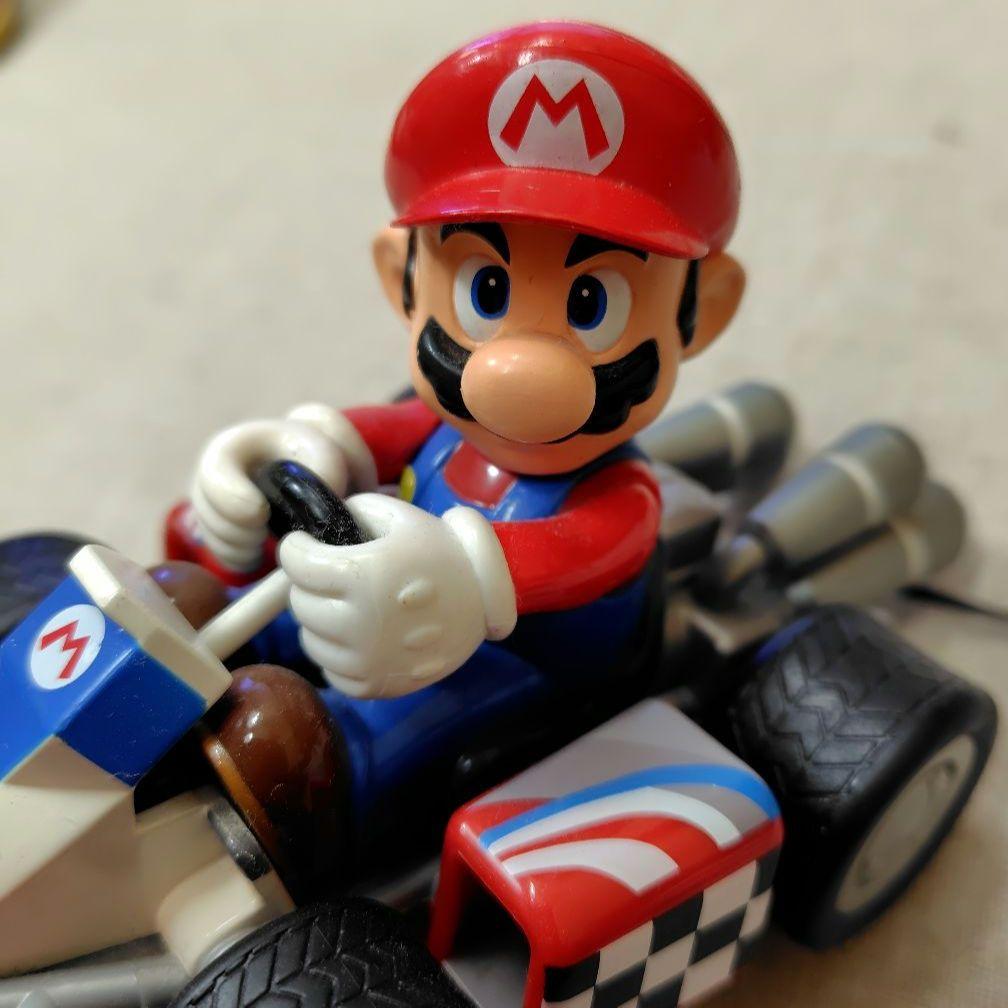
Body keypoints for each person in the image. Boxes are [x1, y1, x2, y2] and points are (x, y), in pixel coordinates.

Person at [166, 21, 746, 821]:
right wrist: (293, 448)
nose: (521, 368)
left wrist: (464, 582)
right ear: (400, 281)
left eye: (591, 303)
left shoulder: (620, 498)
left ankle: (319, 808)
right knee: (212, 609)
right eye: (487, 292)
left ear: (700, 313)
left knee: (327, 750)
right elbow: (368, 434)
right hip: (392, 607)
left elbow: (572, 551)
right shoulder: (438, 424)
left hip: (521, 663)